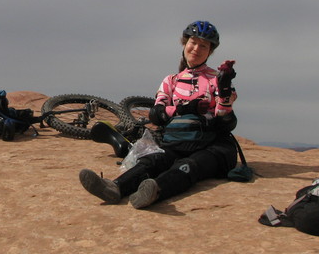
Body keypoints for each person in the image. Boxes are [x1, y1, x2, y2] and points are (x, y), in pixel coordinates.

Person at [79, 20, 239, 209]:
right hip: (179, 140)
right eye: (193, 43)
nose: (196, 48)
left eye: (203, 45)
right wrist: (183, 109)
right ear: (185, 43)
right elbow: (156, 114)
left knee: (190, 165)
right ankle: (114, 187)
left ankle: (156, 190)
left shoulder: (216, 79)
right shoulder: (171, 81)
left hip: (212, 144)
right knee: (154, 160)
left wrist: (226, 97)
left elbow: (225, 123)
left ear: (210, 51)